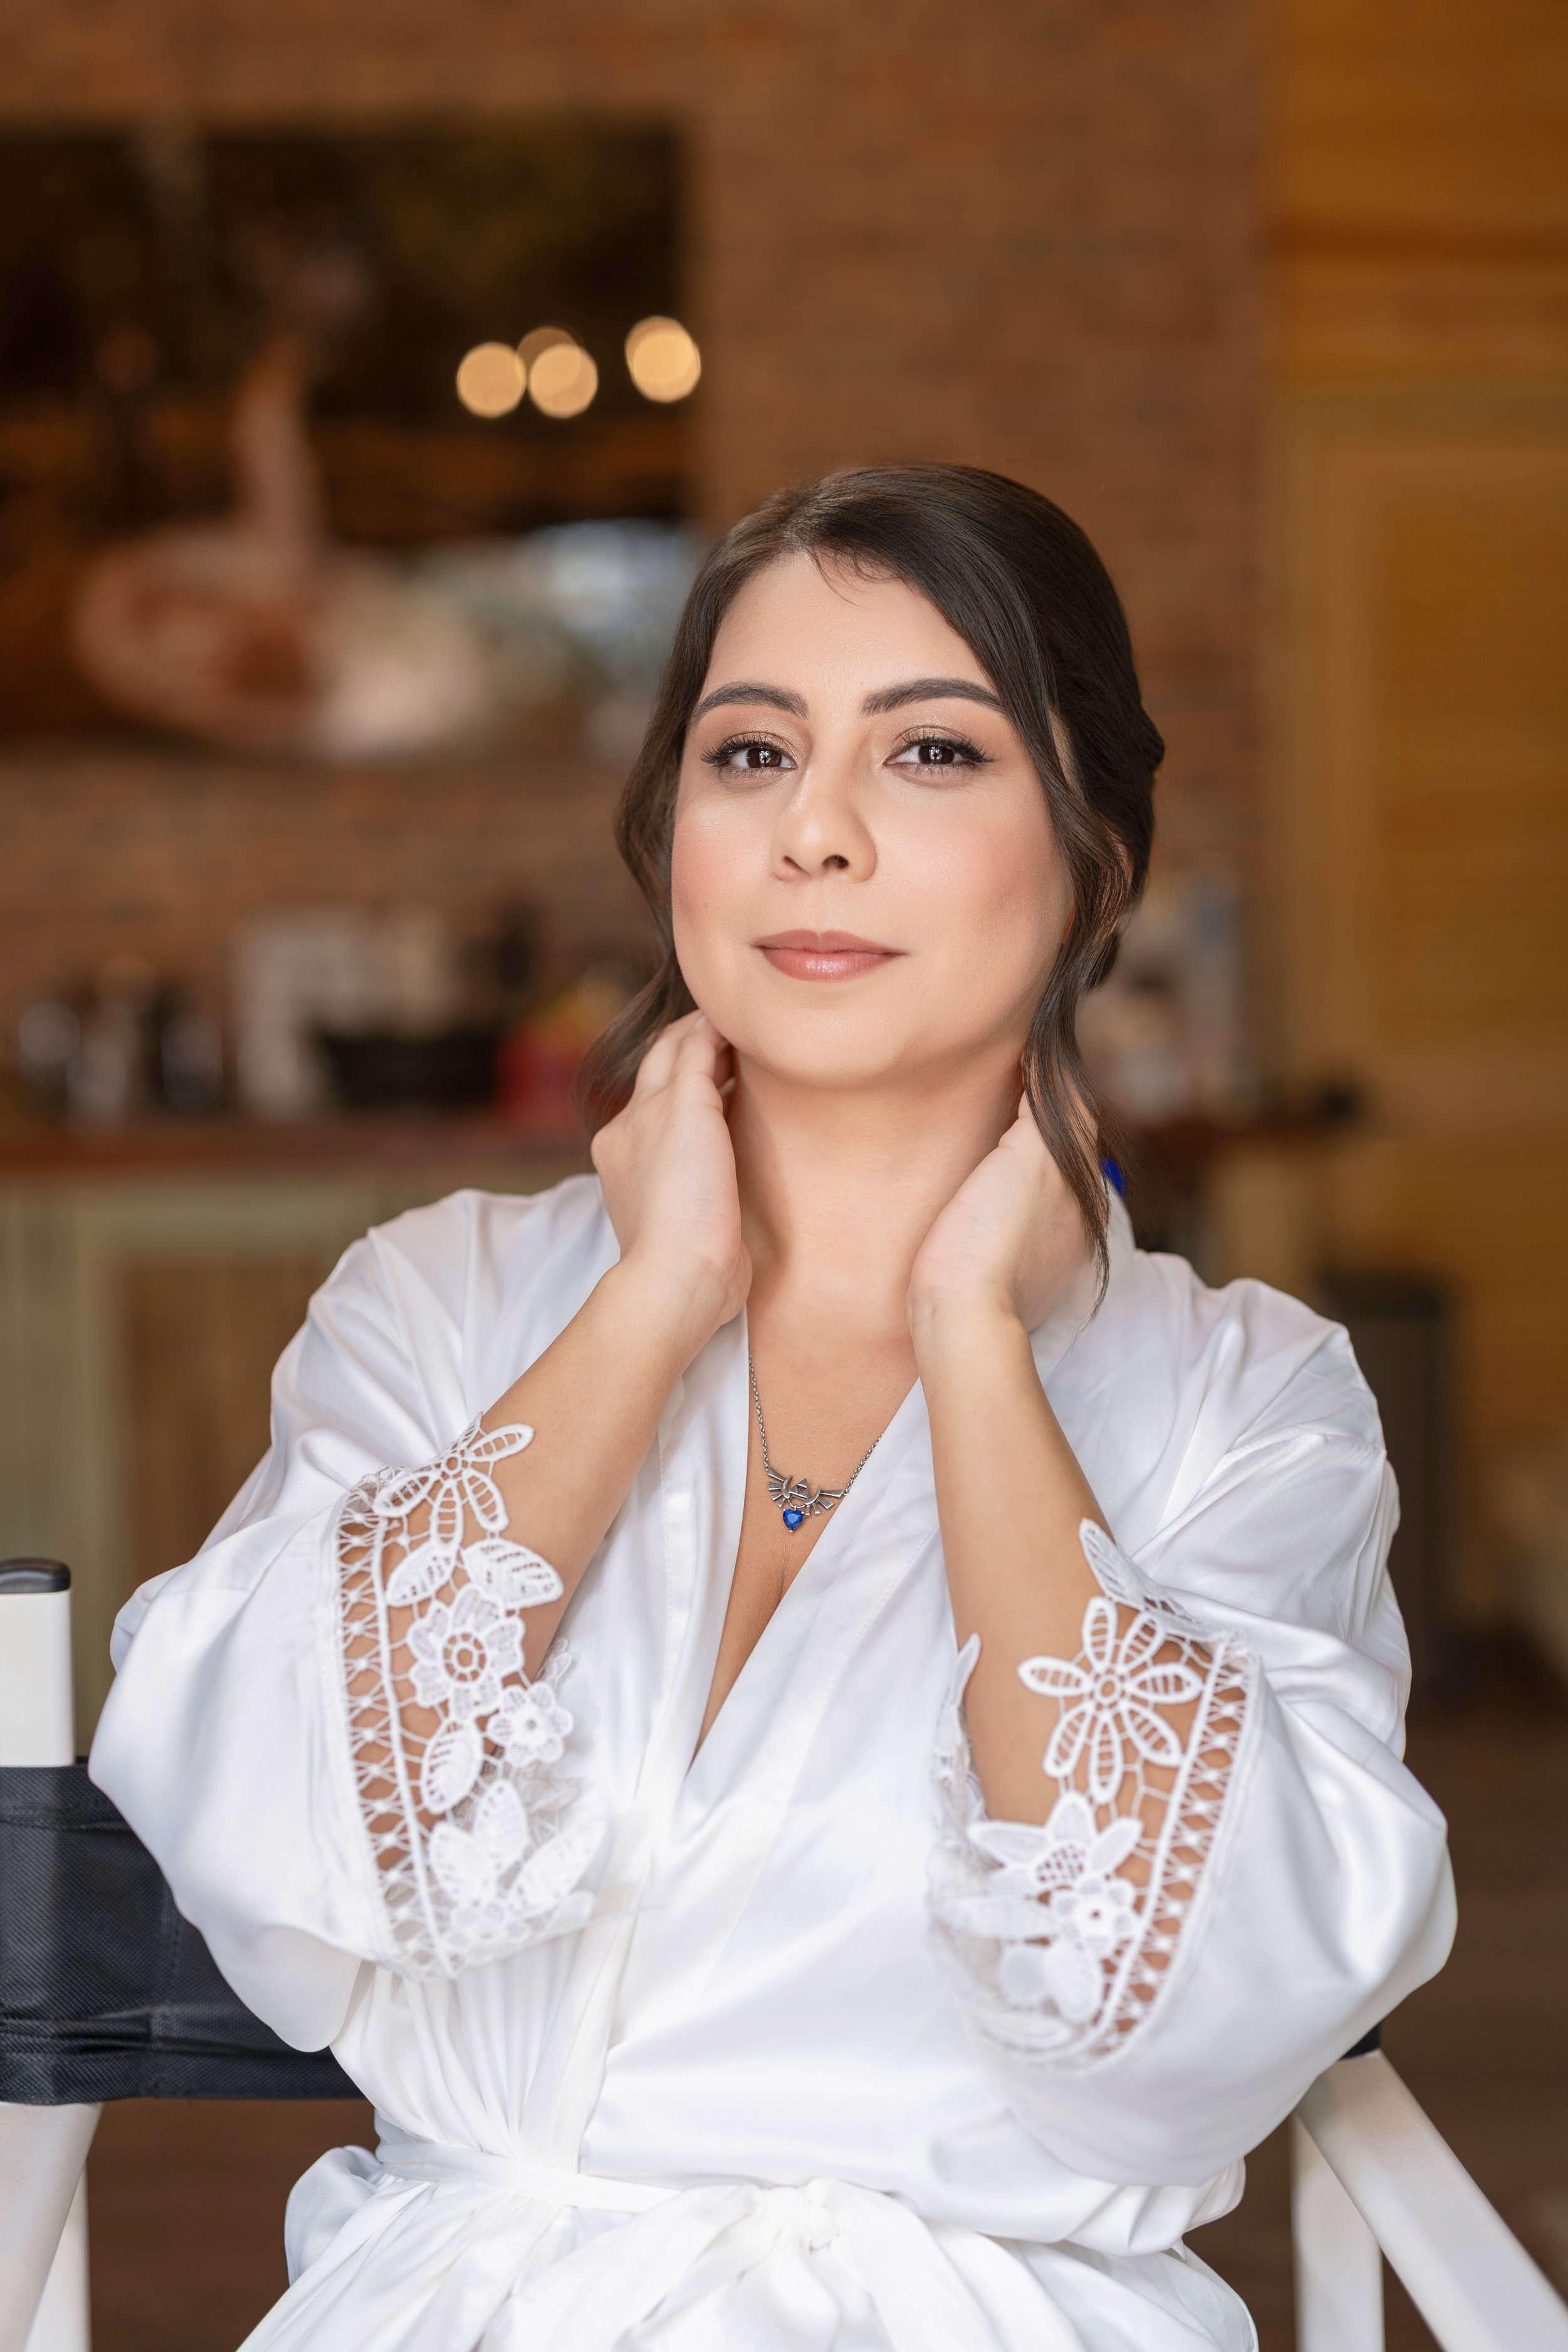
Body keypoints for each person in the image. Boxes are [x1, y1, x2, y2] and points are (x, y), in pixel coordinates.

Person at [91, 464, 1454, 2352]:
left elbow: (1193, 2012)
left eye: (932, 756)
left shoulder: (1248, 1400)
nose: (814, 830)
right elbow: (258, 1820)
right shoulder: (443, 1303)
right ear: (675, 836)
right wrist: (654, 1299)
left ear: (1096, 857)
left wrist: (974, 1337)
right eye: (749, 754)